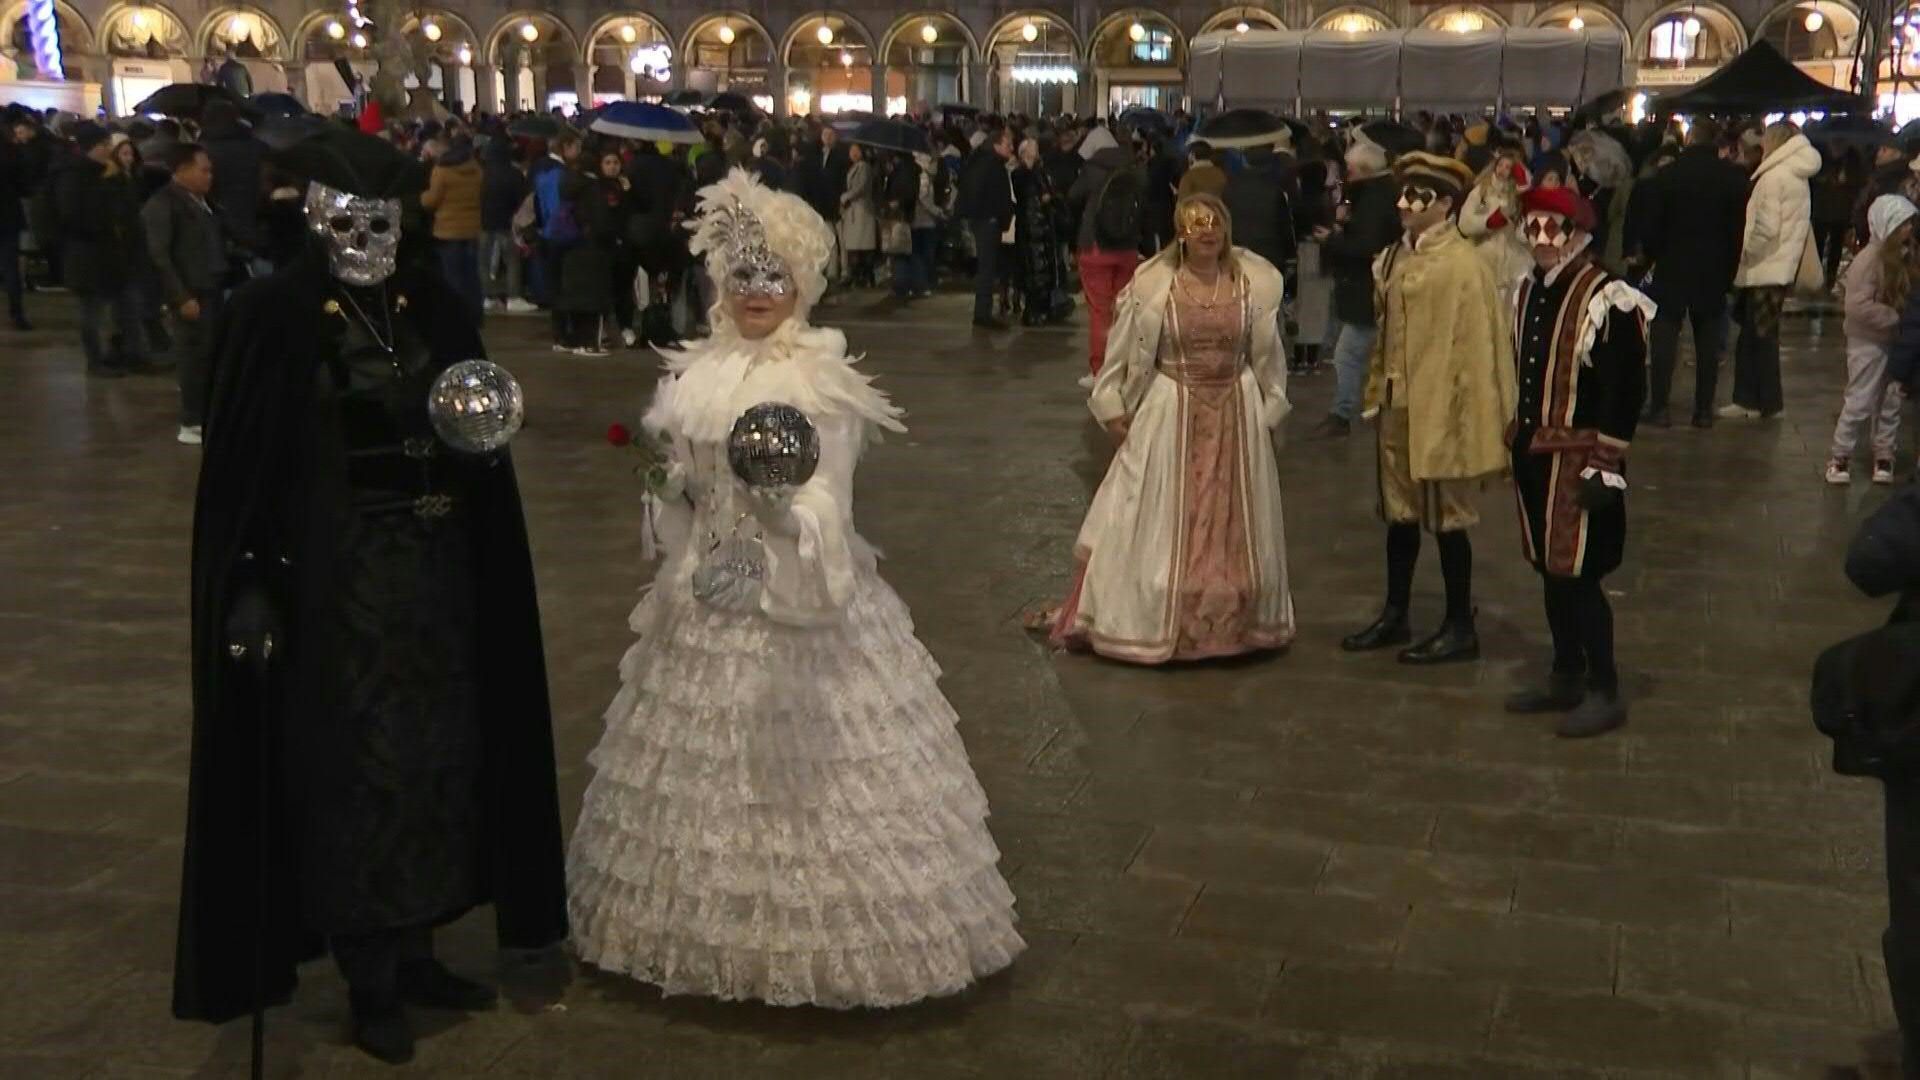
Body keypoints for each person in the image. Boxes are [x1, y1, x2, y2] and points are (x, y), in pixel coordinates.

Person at [566, 168, 1024, 1007]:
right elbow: (677, 477)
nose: (757, 293)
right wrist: (669, 489)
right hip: (707, 588)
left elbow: (830, 498)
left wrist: (786, 509)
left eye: (775, 277)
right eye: (743, 276)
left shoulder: (819, 377)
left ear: (803, 284)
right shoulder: (692, 373)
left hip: (793, 598)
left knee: (809, 774)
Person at [173, 122, 566, 1065]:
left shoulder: (429, 305)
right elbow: (248, 473)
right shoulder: (271, 319)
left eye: (379, 220)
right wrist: (252, 586)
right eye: (346, 221)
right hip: (336, 587)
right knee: (358, 774)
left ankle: (423, 948)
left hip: (440, 581)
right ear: (314, 221)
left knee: (442, 764)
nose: (363, 238)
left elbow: (476, 430)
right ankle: (370, 974)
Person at [1031, 194, 1294, 662]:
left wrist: (1271, 407)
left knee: (1232, 515)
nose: (1207, 232)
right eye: (1196, 225)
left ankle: (1231, 614)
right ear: (1181, 232)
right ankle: (1159, 607)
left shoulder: (1253, 284)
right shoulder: (1154, 286)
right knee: (1158, 513)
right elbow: (1120, 352)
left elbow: (1268, 355)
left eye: (1215, 223)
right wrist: (1112, 405)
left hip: (1235, 411)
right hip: (1173, 410)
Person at [1342, 152, 1516, 665]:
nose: (1404, 204)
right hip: (1397, 404)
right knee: (1398, 515)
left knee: (1447, 518)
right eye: (1404, 194)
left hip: (1443, 409)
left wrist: (1466, 412)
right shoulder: (1396, 256)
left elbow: (1475, 347)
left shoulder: (1463, 265)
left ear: (1444, 203)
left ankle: (1460, 623)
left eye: (1417, 196)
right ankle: (1396, 612)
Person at [1504, 185, 1651, 738]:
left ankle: (1604, 687)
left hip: (1581, 458)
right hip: (1534, 451)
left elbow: (1625, 386)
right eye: (1533, 227)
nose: (1540, 238)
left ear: (1576, 234)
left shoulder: (1607, 295)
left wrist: (1606, 463)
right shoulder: (1528, 289)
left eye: (1552, 228)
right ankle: (1565, 671)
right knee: (1550, 569)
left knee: (1581, 576)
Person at [1637, 119, 1749, 428]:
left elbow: (1652, 226)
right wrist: (1729, 269)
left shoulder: (1668, 176)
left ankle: (1659, 406)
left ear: (1689, 138)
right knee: (1708, 343)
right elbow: (1737, 232)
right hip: (1713, 268)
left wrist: (1656, 254)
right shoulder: (1733, 179)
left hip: (1673, 264)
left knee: (1664, 339)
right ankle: (1703, 410)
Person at [1724, 122, 1821, 422]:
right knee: (1761, 334)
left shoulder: (1773, 177)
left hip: (1764, 266)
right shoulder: (1796, 175)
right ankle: (1760, 400)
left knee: (1757, 337)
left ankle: (1757, 400)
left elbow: (1766, 226)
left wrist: (1745, 254)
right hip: (1781, 266)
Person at [1311, 138, 1401, 437]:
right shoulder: (1378, 194)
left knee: (1347, 354)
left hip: (1366, 289)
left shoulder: (1373, 200)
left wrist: (1334, 239)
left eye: (1350, 168)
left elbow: (1366, 245)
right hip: (1371, 287)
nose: (1346, 173)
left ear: (1363, 169)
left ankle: (1342, 413)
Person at [51, 121, 155, 378]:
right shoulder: (74, 175)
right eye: (104, 145)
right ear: (90, 148)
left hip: (115, 252)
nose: (109, 150)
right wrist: (104, 222)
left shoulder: (108, 173)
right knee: (92, 313)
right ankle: (95, 362)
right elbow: (71, 215)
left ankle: (136, 355)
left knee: (128, 305)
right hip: (88, 255)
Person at [141, 143, 226, 446]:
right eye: (203, 170)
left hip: (209, 287)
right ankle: (192, 420)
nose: (209, 176)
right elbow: (159, 255)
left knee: (208, 355)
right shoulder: (164, 204)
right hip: (191, 292)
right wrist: (180, 296)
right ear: (182, 169)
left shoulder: (200, 201)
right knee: (193, 357)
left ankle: (206, 414)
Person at [1829, 196, 1915, 486]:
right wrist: (1895, 317)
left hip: (1893, 339)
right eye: (1903, 224)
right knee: (1860, 398)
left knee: (1890, 400)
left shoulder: (1905, 255)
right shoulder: (1869, 260)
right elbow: (1857, 306)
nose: (1909, 229)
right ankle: (1840, 455)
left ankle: (1884, 454)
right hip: (1867, 339)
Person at [1070, 126, 1142, 376]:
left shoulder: (1091, 170)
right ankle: (1124, 365)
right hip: (1127, 247)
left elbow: (1073, 196)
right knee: (1124, 308)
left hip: (1096, 246)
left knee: (1100, 311)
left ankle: (1100, 370)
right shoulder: (1134, 168)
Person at [420, 134, 484, 325]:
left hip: (448, 230)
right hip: (472, 228)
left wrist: (421, 197)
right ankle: (475, 314)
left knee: (453, 277)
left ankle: (458, 316)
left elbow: (431, 200)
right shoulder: (476, 169)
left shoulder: (442, 171)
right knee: (472, 275)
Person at [958, 126, 1015, 330]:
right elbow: (985, 193)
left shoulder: (984, 161)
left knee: (988, 268)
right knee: (987, 268)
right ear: (997, 145)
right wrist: (993, 215)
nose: (1011, 148)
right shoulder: (989, 164)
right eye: (1008, 144)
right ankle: (982, 314)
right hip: (987, 221)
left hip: (986, 220)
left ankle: (983, 312)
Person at [1011, 137, 1065, 326]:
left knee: (1043, 268)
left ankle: (1042, 307)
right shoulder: (1020, 173)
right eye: (1032, 148)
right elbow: (1024, 196)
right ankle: (1031, 309)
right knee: (1030, 268)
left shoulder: (1039, 172)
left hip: (1042, 227)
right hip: (1028, 227)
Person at [479, 137, 532, 313]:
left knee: (485, 262)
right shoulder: (513, 174)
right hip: (508, 222)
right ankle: (513, 296)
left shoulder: (482, 174)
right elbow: (523, 199)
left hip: (485, 223)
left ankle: (489, 296)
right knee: (512, 261)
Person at [2, 111, 34, 329]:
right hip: (8, 214)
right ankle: (17, 313)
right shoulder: (12, 152)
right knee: (10, 264)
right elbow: (24, 185)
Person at [837, 142, 877, 288]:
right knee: (856, 245)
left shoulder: (864, 167)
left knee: (862, 244)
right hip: (854, 211)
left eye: (856, 150)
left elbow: (861, 187)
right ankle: (860, 275)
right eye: (851, 150)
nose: (853, 153)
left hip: (862, 210)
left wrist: (845, 196)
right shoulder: (855, 167)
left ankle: (864, 276)